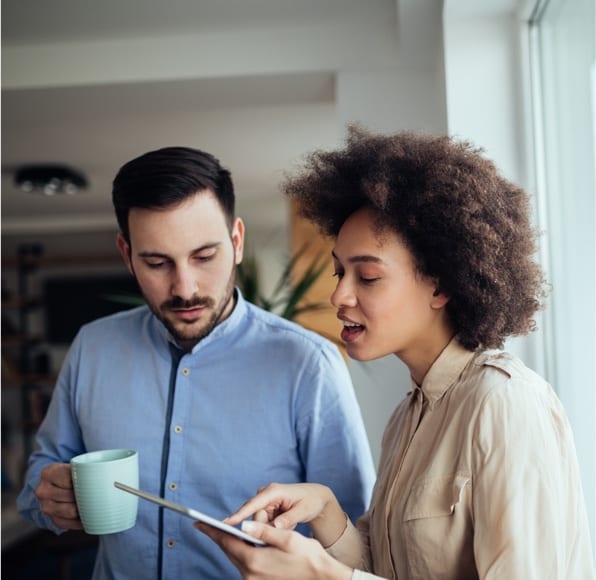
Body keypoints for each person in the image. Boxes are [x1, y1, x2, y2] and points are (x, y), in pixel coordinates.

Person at [197, 127, 596, 579]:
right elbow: (390, 571)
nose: (338, 297)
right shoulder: (406, 418)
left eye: (366, 277)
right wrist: (325, 510)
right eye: (338, 273)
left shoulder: (504, 404)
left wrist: (322, 576)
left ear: (441, 284)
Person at [16, 146, 376, 580]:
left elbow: (354, 538)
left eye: (204, 257)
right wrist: (49, 496)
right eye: (156, 262)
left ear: (237, 241)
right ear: (126, 254)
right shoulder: (93, 348)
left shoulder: (308, 364)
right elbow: (39, 479)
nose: (184, 288)